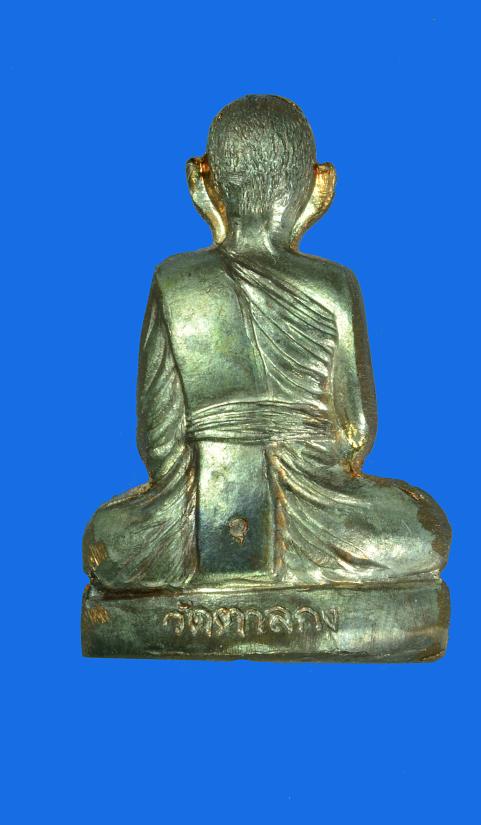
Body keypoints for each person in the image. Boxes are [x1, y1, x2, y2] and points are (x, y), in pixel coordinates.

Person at [83, 94, 450, 592]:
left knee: (107, 542)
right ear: (318, 183)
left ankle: (211, 575)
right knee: (425, 531)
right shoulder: (333, 285)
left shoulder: (176, 279)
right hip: (316, 520)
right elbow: (355, 434)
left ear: (204, 180)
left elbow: (157, 441)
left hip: (194, 518)